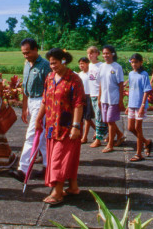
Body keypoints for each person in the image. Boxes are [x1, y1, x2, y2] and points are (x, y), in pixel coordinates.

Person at [34, 48, 84, 206]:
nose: (52, 66)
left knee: (59, 159)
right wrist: (38, 118)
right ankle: (73, 187)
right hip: (51, 125)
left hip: (67, 126)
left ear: (63, 60)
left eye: (55, 63)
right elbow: (44, 100)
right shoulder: (49, 77)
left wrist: (76, 126)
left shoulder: (73, 79)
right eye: (50, 63)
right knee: (65, 157)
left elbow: (79, 104)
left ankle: (57, 192)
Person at [13, 38, 50, 182]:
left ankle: (23, 169)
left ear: (36, 50)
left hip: (42, 102)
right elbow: (25, 88)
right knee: (42, 139)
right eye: (23, 53)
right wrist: (24, 108)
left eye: (28, 52)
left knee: (32, 135)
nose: (26, 55)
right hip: (31, 102)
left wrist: (42, 110)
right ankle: (48, 167)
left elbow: (49, 90)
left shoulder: (45, 66)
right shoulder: (27, 64)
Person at [95, 44, 125, 152]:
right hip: (104, 98)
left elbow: (121, 85)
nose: (105, 55)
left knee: (111, 121)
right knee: (107, 120)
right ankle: (120, 134)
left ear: (112, 54)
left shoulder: (117, 67)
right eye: (104, 53)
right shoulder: (102, 67)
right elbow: (100, 84)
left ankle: (110, 144)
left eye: (107, 53)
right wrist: (99, 98)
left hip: (113, 98)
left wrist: (121, 100)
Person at [125, 53, 152, 162]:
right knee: (130, 128)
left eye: (136, 62)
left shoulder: (144, 74)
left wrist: (142, 105)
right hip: (132, 104)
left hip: (140, 104)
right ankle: (146, 142)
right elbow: (131, 89)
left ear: (141, 62)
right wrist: (128, 105)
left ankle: (138, 153)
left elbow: (146, 91)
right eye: (132, 62)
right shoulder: (131, 74)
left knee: (138, 128)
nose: (134, 64)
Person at [86, 46, 107, 148]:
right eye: (88, 53)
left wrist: (100, 96)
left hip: (99, 94)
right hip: (92, 94)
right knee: (100, 117)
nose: (89, 55)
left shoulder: (101, 66)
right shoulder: (89, 65)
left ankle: (98, 139)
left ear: (97, 54)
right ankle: (118, 134)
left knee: (99, 117)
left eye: (91, 53)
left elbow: (103, 82)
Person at [76, 56, 96, 143]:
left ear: (88, 64)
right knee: (85, 117)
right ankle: (98, 130)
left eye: (83, 63)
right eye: (80, 64)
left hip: (89, 96)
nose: (81, 65)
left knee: (87, 118)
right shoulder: (79, 74)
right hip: (82, 96)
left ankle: (84, 137)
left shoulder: (90, 74)